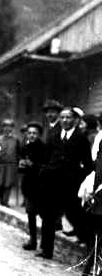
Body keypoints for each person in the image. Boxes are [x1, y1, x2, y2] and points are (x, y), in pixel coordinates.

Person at [39, 107, 93, 255]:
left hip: (71, 186)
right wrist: (46, 174)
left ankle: (90, 248)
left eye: (68, 117)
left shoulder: (81, 139)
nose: (64, 120)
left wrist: (78, 177)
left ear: (74, 120)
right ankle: (46, 250)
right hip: (52, 184)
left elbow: (88, 164)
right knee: (48, 216)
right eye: (62, 117)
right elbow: (46, 159)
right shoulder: (53, 136)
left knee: (74, 215)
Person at [19, 121, 47, 251]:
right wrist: (21, 165)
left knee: (44, 215)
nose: (31, 135)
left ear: (39, 134)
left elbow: (45, 167)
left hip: (41, 186)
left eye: (34, 133)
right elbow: (22, 168)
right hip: (29, 186)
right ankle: (33, 240)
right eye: (29, 133)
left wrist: (33, 165)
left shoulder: (44, 148)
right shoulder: (25, 147)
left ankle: (45, 244)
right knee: (30, 213)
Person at [0, 118, 19, 207]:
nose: (7, 128)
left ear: (12, 128)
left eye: (9, 126)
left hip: (11, 165)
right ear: (3, 128)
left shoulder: (15, 140)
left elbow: (18, 152)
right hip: (0, 164)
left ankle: (5, 201)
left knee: (8, 183)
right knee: (0, 183)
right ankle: (1, 200)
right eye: (5, 126)